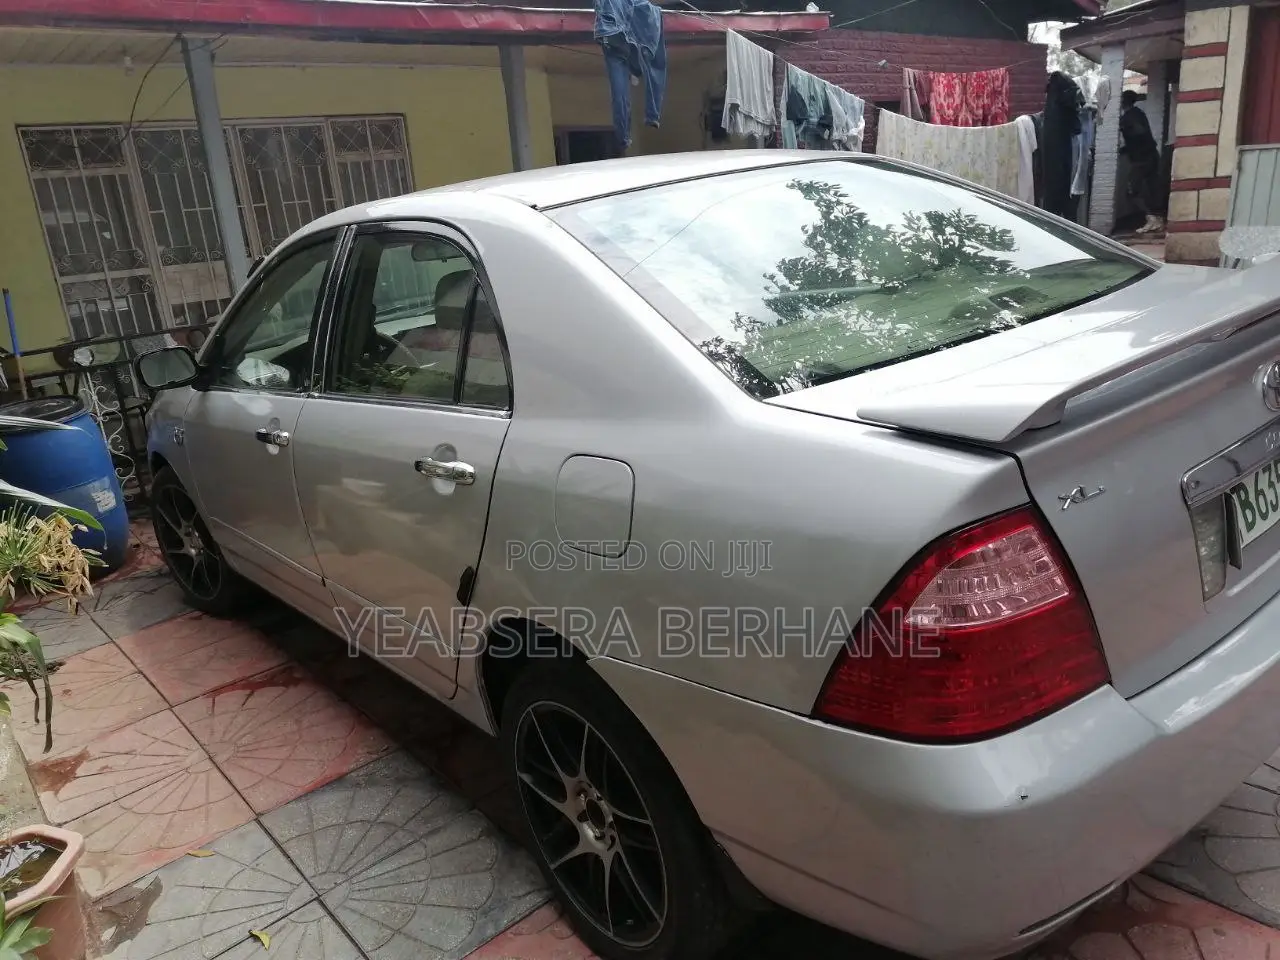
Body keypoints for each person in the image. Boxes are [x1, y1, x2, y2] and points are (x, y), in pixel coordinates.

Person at [1119, 90, 1163, 235]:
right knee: (1152, 189)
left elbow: (1139, 132)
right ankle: (1157, 219)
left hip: (1141, 159)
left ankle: (1151, 219)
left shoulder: (1128, 118)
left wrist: (1129, 146)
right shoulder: (1139, 113)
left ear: (1123, 101)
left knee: (1132, 191)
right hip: (1151, 155)